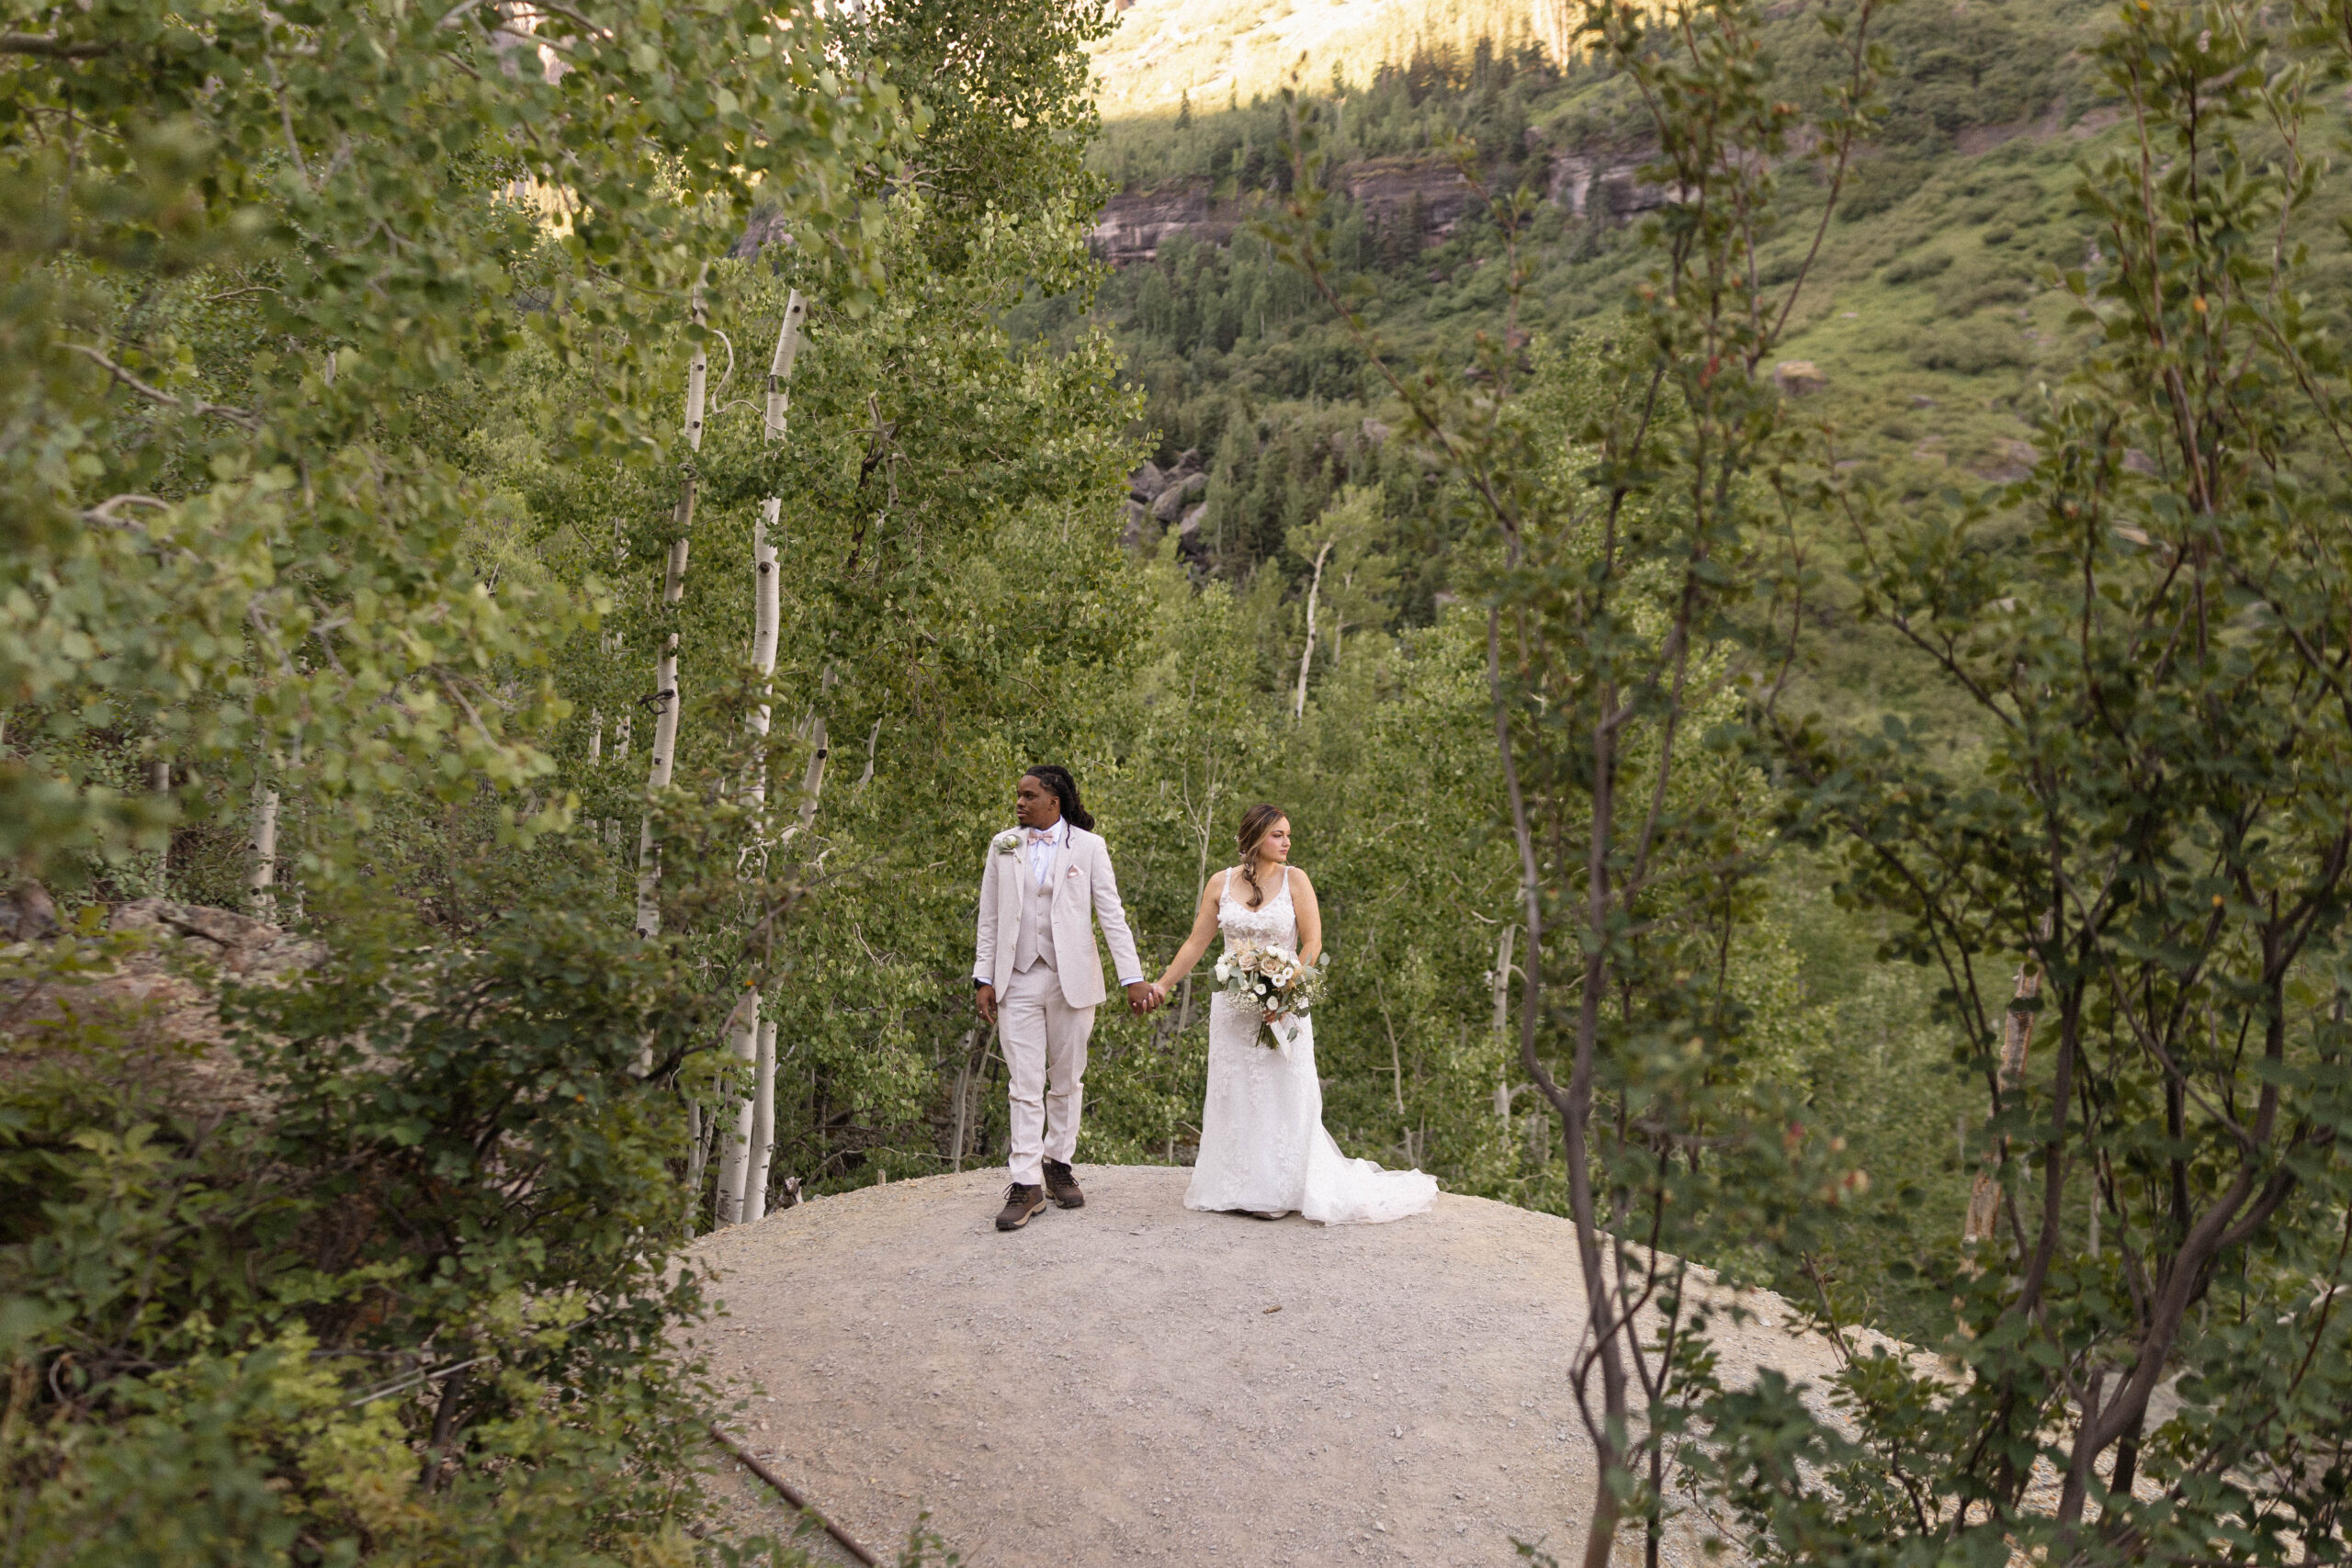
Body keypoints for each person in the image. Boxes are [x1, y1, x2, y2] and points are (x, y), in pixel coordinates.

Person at [1149, 805, 1437, 1224]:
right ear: (1254, 837)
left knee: (1283, 1092)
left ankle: (1280, 1189)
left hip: (1282, 1005)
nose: (1286, 843)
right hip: (1233, 1008)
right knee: (1238, 1093)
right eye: (1277, 835)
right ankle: (1234, 1186)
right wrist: (1162, 984)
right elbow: (1196, 943)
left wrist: (1286, 991)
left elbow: (1312, 942)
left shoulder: (1295, 879)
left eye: (1288, 835)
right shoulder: (1220, 882)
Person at [972, 766, 1159, 1232]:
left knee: (1067, 1078)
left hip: (1072, 978)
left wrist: (1132, 976)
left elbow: (1111, 914)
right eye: (1018, 795)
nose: (1019, 803)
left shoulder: (1089, 847)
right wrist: (983, 978)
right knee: (1023, 1082)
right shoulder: (1003, 845)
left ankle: (1058, 1163)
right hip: (1016, 978)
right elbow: (990, 918)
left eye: (1028, 796)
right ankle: (1026, 1183)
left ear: (1054, 801)